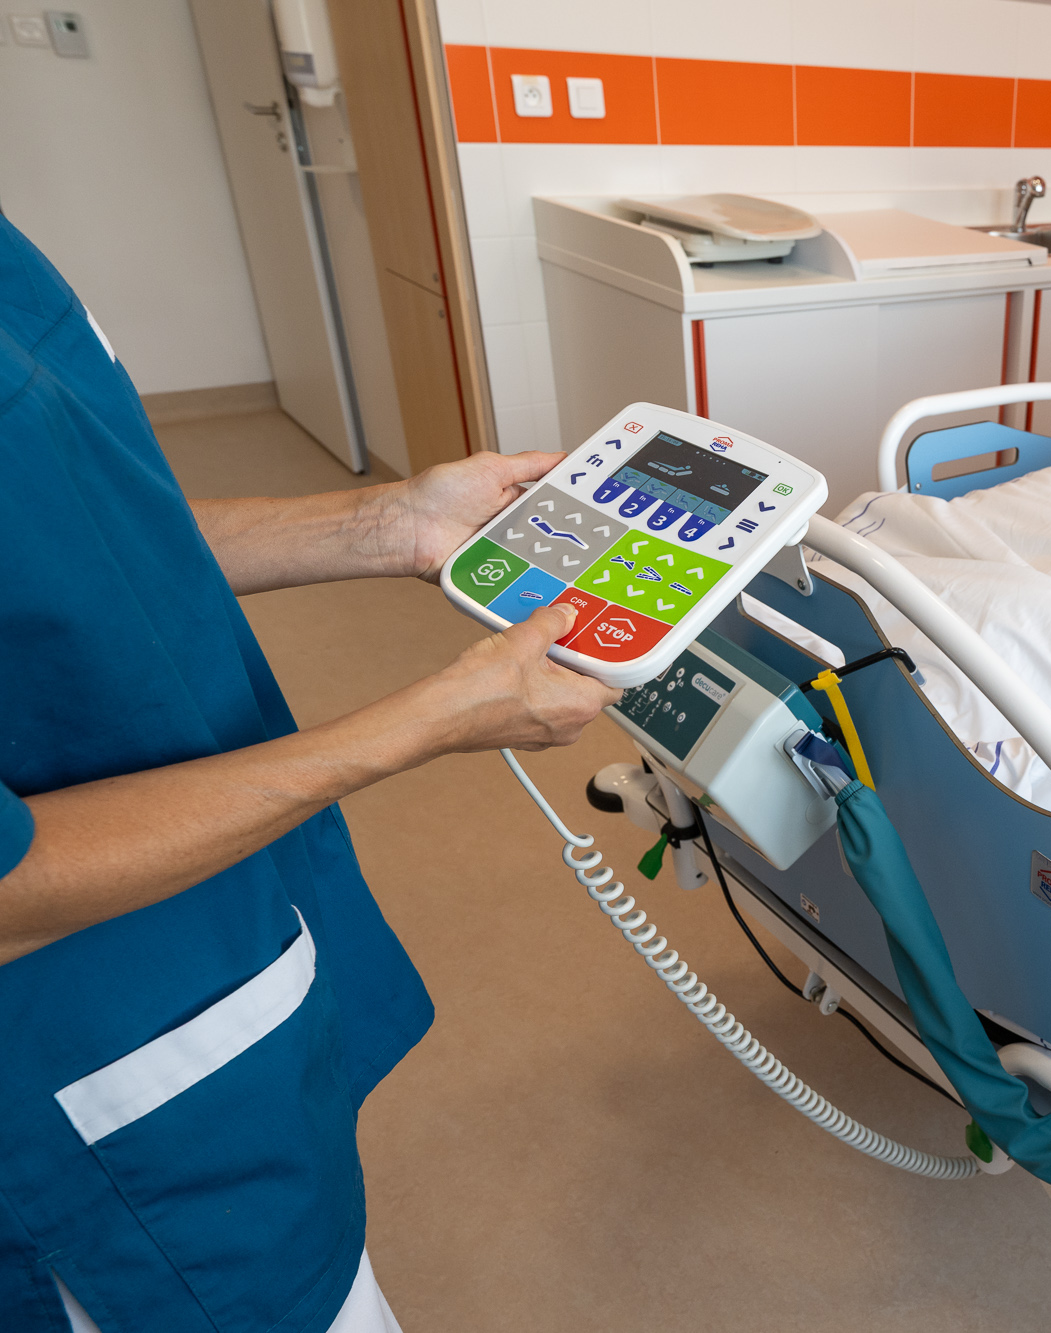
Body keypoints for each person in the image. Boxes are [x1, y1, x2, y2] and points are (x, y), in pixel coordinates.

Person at [0, 216, 618, 1332]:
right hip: (78, 1069)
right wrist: (436, 716)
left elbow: (90, 539)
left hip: (206, 908)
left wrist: (390, 521)